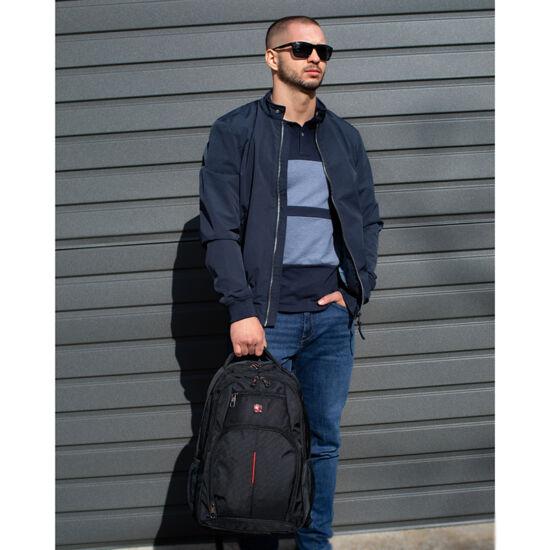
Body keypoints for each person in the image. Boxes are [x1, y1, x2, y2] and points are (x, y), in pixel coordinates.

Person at [198, 14, 384, 550]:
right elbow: (219, 229)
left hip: (329, 320)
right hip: (266, 318)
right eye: (301, 49)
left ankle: (314, 544)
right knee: (253, 440)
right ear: (272, 58)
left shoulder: (344, 137)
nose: (315, 58)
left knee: (322, 442)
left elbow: (368, 220)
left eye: (323, 51)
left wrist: (355, 290)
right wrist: (241, 308)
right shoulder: (236, 131)